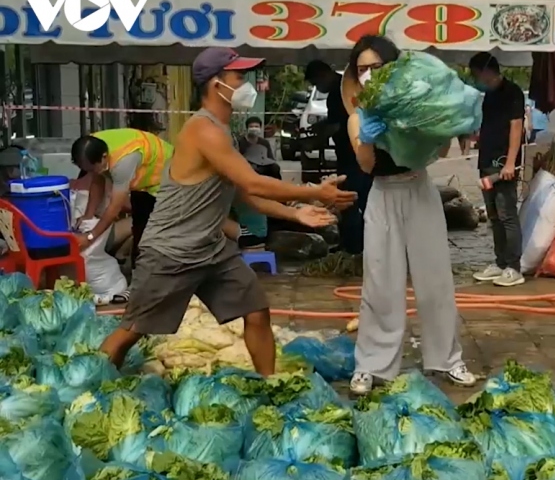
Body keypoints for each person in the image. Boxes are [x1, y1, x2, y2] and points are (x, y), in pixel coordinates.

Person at [98, 47, 356, 376]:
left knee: (257, 311)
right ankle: (93, 389)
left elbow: (244, 192)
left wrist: (296, 214)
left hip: (211, 249)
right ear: (216, 83)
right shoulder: (202, 130)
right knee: (131, 331)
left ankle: (269, 385)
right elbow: (253, 181)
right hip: (171, 251)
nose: (247, 84)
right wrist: (315, 191)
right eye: (239, 77)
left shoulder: (223, 133)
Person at [344, 34, 476, 394]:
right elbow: (367, 165)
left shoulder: (415, 102)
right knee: (380, 283)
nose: (369, 74)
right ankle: (371, 365)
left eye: (376, 67)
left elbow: (441, 148)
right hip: (383, 196)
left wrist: (430, 123)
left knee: (435, 281)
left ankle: (447, 359)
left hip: (420, 190)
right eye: (362, 69)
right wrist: (369, 137)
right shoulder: (359, 116)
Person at [71, 128, 173, 269]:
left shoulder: (123, 163)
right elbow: (97, 181)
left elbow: (114, 208)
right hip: (142, 183)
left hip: (166, 180)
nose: (91, 173)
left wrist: (90, 237)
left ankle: (156, 276)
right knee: (139, 230)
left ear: (104, 157)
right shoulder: (92, 146)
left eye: (94, 168)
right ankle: (138, 274)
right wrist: (88, 216)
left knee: (155, 237)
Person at [469, 52, 526, 287]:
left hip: (504, 163)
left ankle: (514, 266)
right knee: (493, 215)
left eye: (475, 73)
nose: (475, 78)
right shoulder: (488, 96)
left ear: (486, 71)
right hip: (486, 161)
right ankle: (500, 262)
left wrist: (511, 162)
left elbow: (516, 127)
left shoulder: (512, 93)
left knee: (507, 215)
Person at [305, 59, 372, 255]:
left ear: (323, 74)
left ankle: (355, 247)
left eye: (316, 83)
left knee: (350, 200)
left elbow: (337, 125)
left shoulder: (338, 92)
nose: (318, 87)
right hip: (351, 155)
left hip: (354, 157)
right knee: (353, 200)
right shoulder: (342, 90)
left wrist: (316, 139)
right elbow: (336, 120)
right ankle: (355, 244)